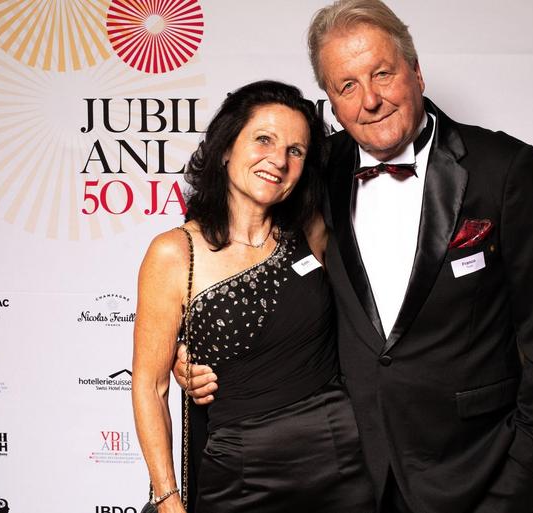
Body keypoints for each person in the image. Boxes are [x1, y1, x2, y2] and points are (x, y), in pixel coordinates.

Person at [178, 1, 533, 512]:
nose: (369, 100)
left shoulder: (502, 169)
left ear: (416, 71)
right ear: (331, 102)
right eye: (347, 86)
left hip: (481, 473)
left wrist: (521, 472)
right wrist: (195, 349)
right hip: (351, 475)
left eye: (382, 74)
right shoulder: (315, 170)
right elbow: (243, 254)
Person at [132, 80, 375, 513]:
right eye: (264, 139)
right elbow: (150, 386)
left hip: (342, 462)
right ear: (226, 148)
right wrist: (167, 498)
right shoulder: (175, 253)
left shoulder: (312, 232)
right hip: (239, 476)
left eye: (295, 150)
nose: (278, 160)